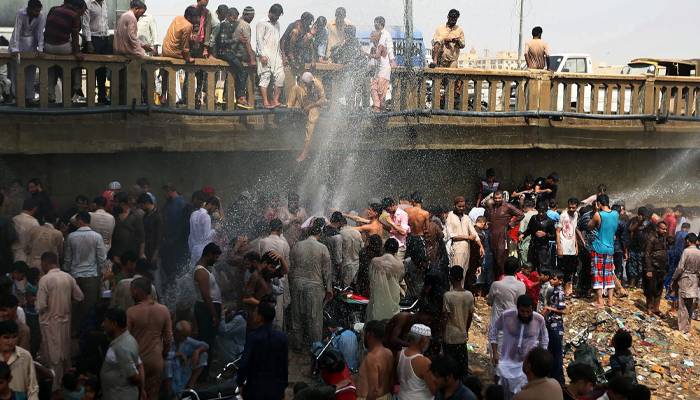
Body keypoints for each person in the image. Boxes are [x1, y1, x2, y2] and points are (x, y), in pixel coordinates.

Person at [36, 251, 83, 391]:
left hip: (50, 323)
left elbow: (41, 305)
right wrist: (67, 303)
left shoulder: (45, 279)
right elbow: (79, 297)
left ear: (45, 263)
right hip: (65, 321)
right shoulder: (68, 277)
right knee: (65, 355)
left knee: (53, 357)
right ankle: (67, 385)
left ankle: (56, 388)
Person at [488, 295, 548, 400]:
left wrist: (540, 358)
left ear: (532, 309)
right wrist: (495, 352)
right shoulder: (507, 316)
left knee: (521, 395)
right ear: (517, 308)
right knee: (502, 394)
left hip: (526, 366)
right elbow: (493, 330)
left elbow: (544, 339)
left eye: (528, 311)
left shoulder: (539, 320)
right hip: (506, 362)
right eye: (522, 311)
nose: (525, 314)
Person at [289, 219, 332, 351]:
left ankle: (297, 346)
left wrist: (292, 286)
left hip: (297, 285)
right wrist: (329, 289)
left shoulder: (297, 246)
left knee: (297, 316)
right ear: (319, 235)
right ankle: (316, 348)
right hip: (314, 287)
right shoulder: (322, 248)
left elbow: (291, 267)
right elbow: (327, 271)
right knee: (315, 319)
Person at [127, 277, 172, 400]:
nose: (130, 294)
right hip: (156, 360)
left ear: (136, 291)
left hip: (137, 361)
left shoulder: (131, 312)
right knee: (153, 394)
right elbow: (168, 339)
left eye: (131, 290)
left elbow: (125, 339)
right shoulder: (163, 310)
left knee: (136, 394)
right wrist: (163, 354)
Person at [63, 211, 106, 334]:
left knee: (75, 306)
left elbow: (67, 258)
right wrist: (103, 273)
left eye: (77, 221)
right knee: (90, 306)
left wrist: (66, 272)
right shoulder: (97, 236)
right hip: (92, 277)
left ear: (80, 221)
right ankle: (88, 332)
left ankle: (74, 332)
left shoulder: (71, 237)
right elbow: (101, 258)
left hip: (74, 276)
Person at [236, 301, 288, 400]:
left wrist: (240, 383)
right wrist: (283, 387)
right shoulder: (282, 337)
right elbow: (284, 365)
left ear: (260, 317)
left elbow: (244, 364)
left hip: (255, 389)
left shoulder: (253, 337)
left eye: (256, 312)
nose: (253, 314)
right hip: (276, 389)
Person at [43, 0, 85, 103]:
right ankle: (77, 85)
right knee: (78, 59)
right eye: (83, 11)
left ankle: (51, 96)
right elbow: (75, 37)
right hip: (62, 48)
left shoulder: (53, 9)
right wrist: (77, 52)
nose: (82, 14)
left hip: (47, 46)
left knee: (51, 68)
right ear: (77, 8)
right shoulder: (74, 15)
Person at [100, 308, 144, 400]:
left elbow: (135, 378)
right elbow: (139, 364)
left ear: (114, 324)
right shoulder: (128, 339)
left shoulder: (121, 347)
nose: (103, 324)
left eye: (105, 321)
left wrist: (141, 387)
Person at [9, 0, 45, 105]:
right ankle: (16, 96)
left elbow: (40, 33)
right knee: (16, 71)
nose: (37, 13)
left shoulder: (41, 16)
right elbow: (17, 30)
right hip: (18, 42)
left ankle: (29, 97)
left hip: (31, 44)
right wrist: (15, 49)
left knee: (31, 71)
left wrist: (41, 49)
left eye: (38, 11)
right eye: (35, 11)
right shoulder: (21, 13)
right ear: (29, 9)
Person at [443, 266, 475, 382]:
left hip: (450, 336)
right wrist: (465, 330)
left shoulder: (448, 296)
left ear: (450, 278)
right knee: (462, 369)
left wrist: (441, 332)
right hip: (462, 336)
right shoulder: (469, 295)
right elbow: (470, 316)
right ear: (462, 278)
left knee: (449, 369)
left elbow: (445, 317)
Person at [287, 71, 327, 162]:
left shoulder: (318, 85)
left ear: (311, 82)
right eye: (303, 83)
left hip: (315, 105)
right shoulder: (305, 83)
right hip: (307, 102)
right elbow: (303, 93)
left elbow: (323, 100)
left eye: (305, 83)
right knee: (295, 88)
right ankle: (289, 109)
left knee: (311, 124)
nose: (304, 84)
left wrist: (310, 106)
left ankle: (305, 152)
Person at [587, 195, 619, 308]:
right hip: (610, 248)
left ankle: (600, 301)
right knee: (609, 274)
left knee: (598, 274)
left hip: (598, 248)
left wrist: (596, 210)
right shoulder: (616, 214)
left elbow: (589, 226)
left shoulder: (598, 214)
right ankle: (610, 300)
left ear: (599, 203)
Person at [164, 320, 209, 396]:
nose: (185, 338)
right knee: (168, 364)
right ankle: (169, 393)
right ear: (176, 332)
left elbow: (206, 345)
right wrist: (177, 354)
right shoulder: (168, 339)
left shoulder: (187, 340)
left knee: (203, 355)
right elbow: (162, 354)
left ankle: (190, 386)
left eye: (186, 336)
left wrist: (197, 351)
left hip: (182, 369)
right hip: (170, 370)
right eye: (183, 336)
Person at [486, 192, 524, 278]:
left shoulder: (507, 206)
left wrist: (512, 222)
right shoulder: (491, 206)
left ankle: (504, 279)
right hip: (492, 237)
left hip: (502, 236)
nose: (497, 200)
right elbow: (486, 202)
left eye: (499, 198)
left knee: (501, 258)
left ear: (503, 198)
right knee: (493, 261)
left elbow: (521, 214)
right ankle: (496, 281)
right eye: (495, 198)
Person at [193, 243, 223, 350]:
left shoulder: (204, 269)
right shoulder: (201, 271)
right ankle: (204, 364)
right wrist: (214, 314)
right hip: (207, 310)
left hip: (208, 309)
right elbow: (206, 296)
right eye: (215, 257)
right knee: (206, 340)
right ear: (209, 254)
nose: (216, 260)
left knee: (209, 340)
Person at [82, 0, 112, 103]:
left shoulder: (104, 3)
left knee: (102, 69)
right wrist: (89, 42)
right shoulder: (88, 3)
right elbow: (85, 24)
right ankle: (90, 97)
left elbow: (105, 22)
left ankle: (102, 97)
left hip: (104, 38)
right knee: (92, 69)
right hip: (94, 39)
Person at [366, 239, 404, 321]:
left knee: (375, 324)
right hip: (393, 299)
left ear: (384, 248)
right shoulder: (399, 264)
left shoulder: (375, 261)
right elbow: (400, 279)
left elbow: (370, 278)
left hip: (377, 299)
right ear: (396, 250)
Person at [256, 3, 285, 109]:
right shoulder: (261, 23)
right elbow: (259, 40)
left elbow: (277, 42)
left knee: (281, 76)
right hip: (265, 55)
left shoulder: (277, 24)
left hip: (276, 56)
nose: (277, 17)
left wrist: (281, 56)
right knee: (265, 78)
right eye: (275, 15)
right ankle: (265, 102)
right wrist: (262, 55)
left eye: (278, 16)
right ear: (270, 12)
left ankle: (275, 100)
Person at [0, 320, 38, 400]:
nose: (10, 342)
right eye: (6, 337)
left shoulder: (25, 356)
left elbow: (33, 387)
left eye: (14, 337)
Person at [357, 320, 393, 400]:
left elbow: (374, 390)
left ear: (369, 334)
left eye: (364, 333)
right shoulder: (388, 353)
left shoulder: (371, 357)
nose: (363, 337)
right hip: (385, 396)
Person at [397, 324, 435, 400]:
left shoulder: (399, 354)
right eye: (428, 340)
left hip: (402, 397)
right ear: (423, 341)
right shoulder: (424, 362)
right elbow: (433, 389)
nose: (428, 343)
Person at [672, 233, 700, 333]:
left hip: (685, 279)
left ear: (688, 241)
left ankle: (682, 328)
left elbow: (680, 268)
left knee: (682, 305)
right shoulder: (699, 252)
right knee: (690, 305)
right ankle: (687, 328)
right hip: (694, 281)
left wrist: (674, 278)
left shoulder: (686, 251)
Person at [444, 196, 483, 270]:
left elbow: (474, 233)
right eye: (459, 206)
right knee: (456, 273)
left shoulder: (466, 218)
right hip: (455, 249)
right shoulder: (450, 216)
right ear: (454, 206)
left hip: (466, 250)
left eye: (463, 206)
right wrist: (468, 237)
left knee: (464, 273)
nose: (462, 208)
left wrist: (481, 246)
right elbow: (452, 235)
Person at [543, 271, 565, 384]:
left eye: (554, 279)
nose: (551, 281)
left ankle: (558, 379)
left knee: (556, 352)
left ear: (560, 281)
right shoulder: (553, 291)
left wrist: (549, 309)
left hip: (556, 323)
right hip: (551, 322)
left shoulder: (560, 292)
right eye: (551, 279)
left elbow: (562, 310)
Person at [643, 221, 669, 315]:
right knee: (650, 288)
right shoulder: (651, 238)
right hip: (652, 268)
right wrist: (649, 269)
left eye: (666, 229)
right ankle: (649, 307)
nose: (665, 231)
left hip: (661, 268)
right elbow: (647, 254)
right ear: (657, 228)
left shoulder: (664, 238)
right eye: (663, 229)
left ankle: (656, 308)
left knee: (659, 288)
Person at [110, 192, 145, 260]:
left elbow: (142, 238)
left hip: (130, 256)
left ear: (123, 203)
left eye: (116, 202)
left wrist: (141, 253)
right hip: (116, 254)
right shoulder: (113, 216)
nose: (114, 204)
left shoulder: (135, 216)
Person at [521, 203, 556, 271]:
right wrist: (523, 235)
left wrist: (545, 234)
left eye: (543, 212)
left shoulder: (549, 221)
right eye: (539, 211)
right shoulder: (534, 218)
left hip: (543, 247)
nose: (541, 214)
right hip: (533, 245)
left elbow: (553, 236)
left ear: (546, 211)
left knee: (543, 267)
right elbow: (529, 229)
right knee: (531, 265)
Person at [556, 198, 579, 296]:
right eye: (570, 207)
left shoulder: (576, 215)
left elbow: (574, 230)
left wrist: (576, 245)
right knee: (563, 269)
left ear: (576, 207)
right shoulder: (563, 216)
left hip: (571, 245)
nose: (571, 209)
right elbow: (557, 231)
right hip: (563, 245)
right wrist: (559, 247)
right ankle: (562, 290)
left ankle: (569, 289)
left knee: (571, 269)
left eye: (573, 207)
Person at [188, 191, 215, 265]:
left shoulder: (193, 214)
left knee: (194, 272)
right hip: (203, 251)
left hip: (194, 250)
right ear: (207, 204)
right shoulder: (206, 216)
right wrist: (215, 230)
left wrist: (192, 249)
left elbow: (190, 237)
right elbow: (206, 236)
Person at [369, 29, 390, 112]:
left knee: (377, 92)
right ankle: (377, 108)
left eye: (372, 36)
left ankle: (378, 108)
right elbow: (371, 61)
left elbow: (377, 56)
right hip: (379, 73)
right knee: (375, 90)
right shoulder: (374, 47)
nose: (370, 37)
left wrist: (365, 54)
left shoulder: (381, 46)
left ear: (378, 37)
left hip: (383, 73)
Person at [11, 199, 39, 263]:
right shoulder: (34, 222)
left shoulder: (14, 219)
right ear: (35, 208)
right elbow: (35, 240)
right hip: (26, 255)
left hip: (13, 253)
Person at [137, 193, 161, 265]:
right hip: (146, 249)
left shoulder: (158, 216)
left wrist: (156, 253)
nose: (141, 207)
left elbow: (159, 236)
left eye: (142, 205)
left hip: (153, 250)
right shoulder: (146, 215)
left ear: (147, 203)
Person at [339, 214, 363, 287]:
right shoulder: (357, 233)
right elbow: (362, 248)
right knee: (354, 288)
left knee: (344, 289)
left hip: (345, 265)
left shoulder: (340, 234)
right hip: (356, 265)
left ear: (340, 223)